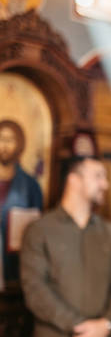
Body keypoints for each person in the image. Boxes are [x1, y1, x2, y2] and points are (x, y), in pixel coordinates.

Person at [20, 155, 111, 337]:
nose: (105, 184)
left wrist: (105, 326)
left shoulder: (109, 232)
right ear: (74, 180)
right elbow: (35, 290)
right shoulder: (39, 229)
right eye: (98, 176)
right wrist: (83, 328)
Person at [0, 119, 42, 287]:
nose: (3, 145)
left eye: (9, 140)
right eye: (1, 139)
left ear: (19, 144)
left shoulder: (30, 185)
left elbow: (36, 228)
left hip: (15, 268)